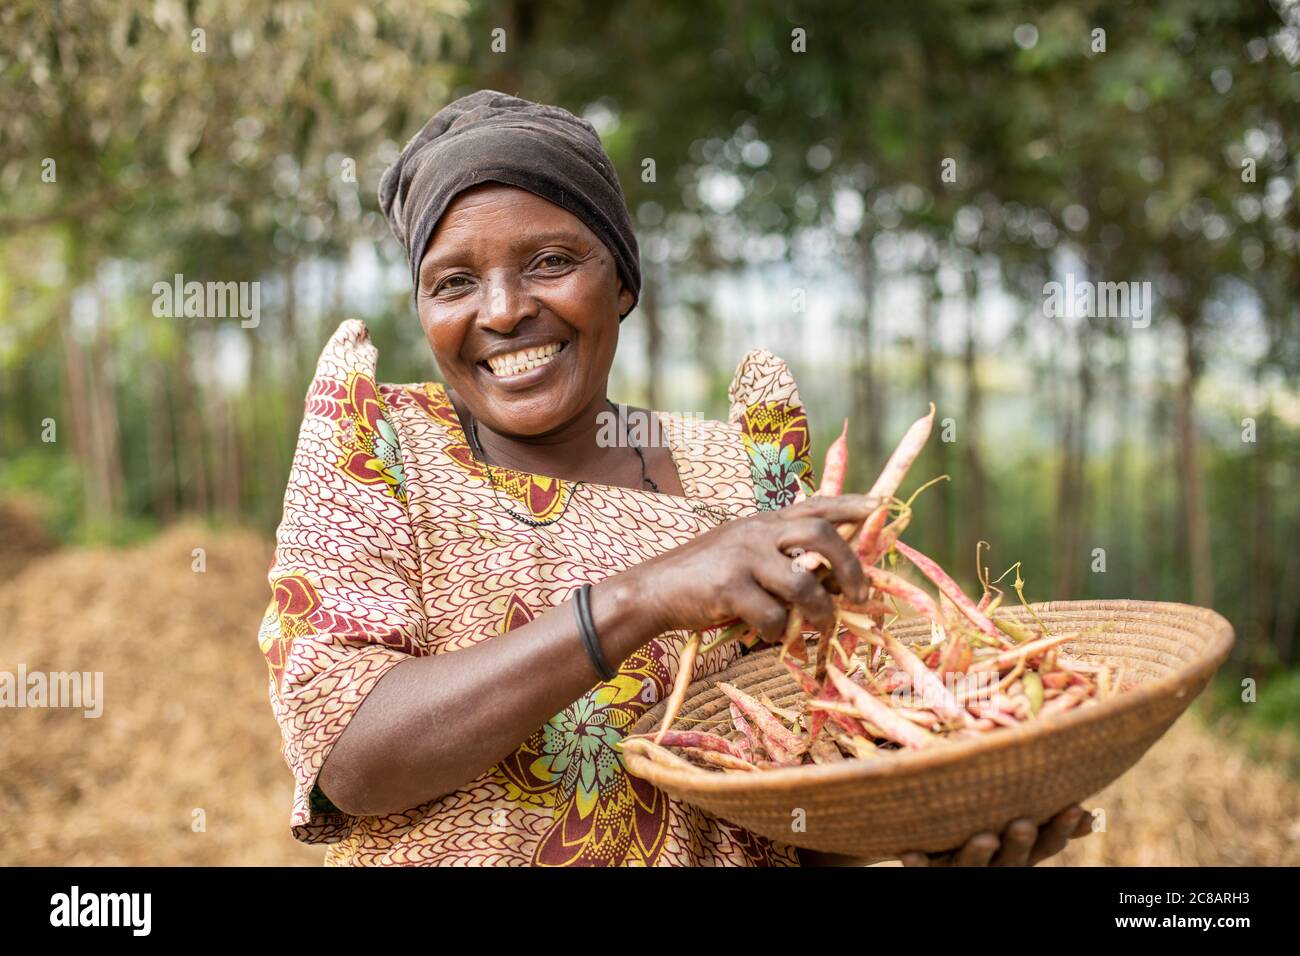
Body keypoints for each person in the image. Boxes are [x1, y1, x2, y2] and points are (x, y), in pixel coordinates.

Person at [257, 89, 1092, 866]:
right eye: (455, 281)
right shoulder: (382, 448)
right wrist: (640, 597)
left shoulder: (747, 474)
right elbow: (349, 761)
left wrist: (922, 832)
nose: (504, 309)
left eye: (549, 261)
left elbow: (795, 796)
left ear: (620, 279)